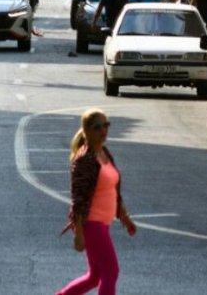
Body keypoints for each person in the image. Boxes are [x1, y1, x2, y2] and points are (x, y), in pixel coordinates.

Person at [57, 109, 137, 295]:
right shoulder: (85, 160)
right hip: (91, 224)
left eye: (106, 125)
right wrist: (78, 232)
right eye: (97, 127)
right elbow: (78, 198)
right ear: (86, 131)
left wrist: (124, 216)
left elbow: (113, 190)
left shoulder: (104, 153)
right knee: (111, 271)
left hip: (103, 223)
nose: (103, 130)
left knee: (96, 275)